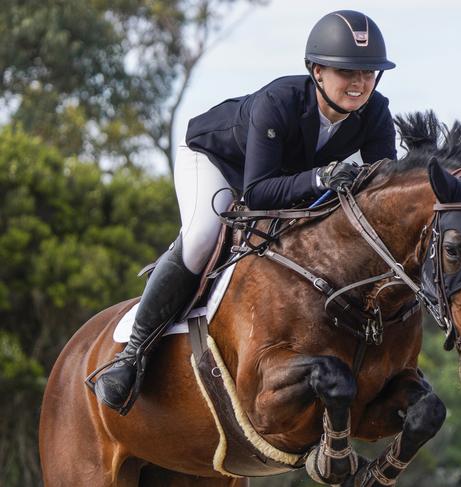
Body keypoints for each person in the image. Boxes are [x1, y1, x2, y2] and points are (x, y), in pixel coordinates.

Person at [94, 9, 398, 411]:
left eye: (369, 73)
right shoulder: (279, 102)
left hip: (285, 174)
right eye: (348, 72)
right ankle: (131, 355)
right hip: (217, 161)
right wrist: (319, 179)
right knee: (202, 236)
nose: (360, 83)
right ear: (317, 71)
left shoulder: (376, 111)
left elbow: (383, 186)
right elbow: (256, 194)